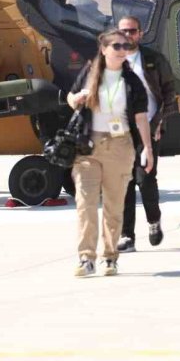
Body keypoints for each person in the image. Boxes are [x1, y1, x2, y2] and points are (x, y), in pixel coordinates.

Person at [67, 29, 153, 277]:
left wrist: (147, 148)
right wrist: (78, 98)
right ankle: (86, 258)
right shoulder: (90, 73)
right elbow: (71, 98)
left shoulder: (132, 81)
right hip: (88, 146)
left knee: (114, 206)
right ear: (103, 49)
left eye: (126, 46)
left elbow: (140, 118)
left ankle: (110, 256)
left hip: (120, 146)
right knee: (86, 204)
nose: (122, 50)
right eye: (117, 46)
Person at [115, 16, 178, 253]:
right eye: (123, 31)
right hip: (119, 132)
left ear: (140, 33)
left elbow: (169, 92)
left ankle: (153, 221)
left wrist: (160, 123)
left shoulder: (153, 60)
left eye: (132, 31)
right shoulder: (111, 61)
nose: (128, 35)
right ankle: (126, 235)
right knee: (125, 183)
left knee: (145, 180)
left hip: (148, 129)